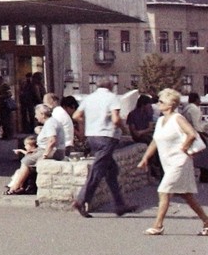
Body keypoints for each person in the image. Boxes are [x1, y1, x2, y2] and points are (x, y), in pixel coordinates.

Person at [137, 88, 208, 235]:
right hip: (168, 163)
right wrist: (145, 158)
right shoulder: (161, 120)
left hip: (180, 161)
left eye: (161, 101)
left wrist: (184, 147)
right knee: (186, 195)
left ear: (170, 105)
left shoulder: (177, 118)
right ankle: (206, 221)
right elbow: (155, 141)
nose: (158, 104)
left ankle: (158, 225)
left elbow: (191, 134)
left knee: (164, 190)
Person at [75, 75, 134, 218]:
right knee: (97, 170)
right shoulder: (112, 98)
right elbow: (116, 119)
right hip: (107, 136)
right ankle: (82, 199)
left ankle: (120, 204)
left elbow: (76, 115)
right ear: (111, 86)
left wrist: (88, 124)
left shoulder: (89, 98)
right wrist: (124, 129)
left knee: (111, 170)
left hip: (92, 136)